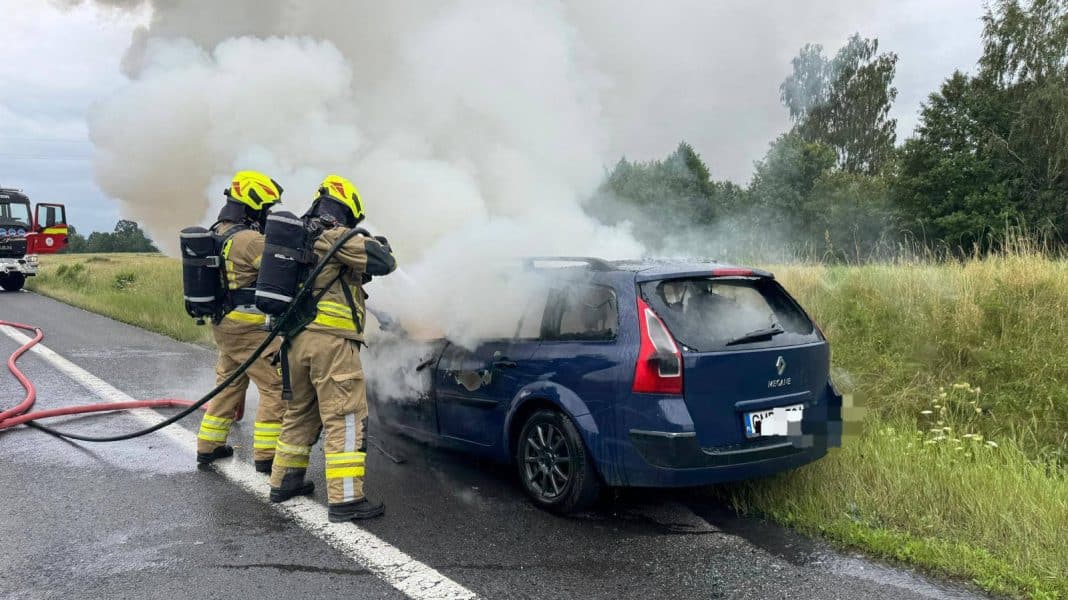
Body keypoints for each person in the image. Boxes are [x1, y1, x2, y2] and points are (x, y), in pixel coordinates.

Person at [268, 174, 396, 522]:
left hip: (294, 343)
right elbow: (384, 262)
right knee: (346, 416)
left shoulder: (301, 239)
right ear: (348, 207)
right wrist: (375, 243)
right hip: (331, 344)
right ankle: (346, 499)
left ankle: (285, 481)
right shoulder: (335, 235)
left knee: (299, 414)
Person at [196, 170, 287, 474]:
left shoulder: (219, 231)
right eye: (264, 208)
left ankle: (208, 446)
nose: (266, 214)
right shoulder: (249, 240)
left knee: (228, 386)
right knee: (276, 386)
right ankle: (267, 456)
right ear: (251, 204)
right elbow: (282, 271)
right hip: (250, 329)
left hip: (226, 326)